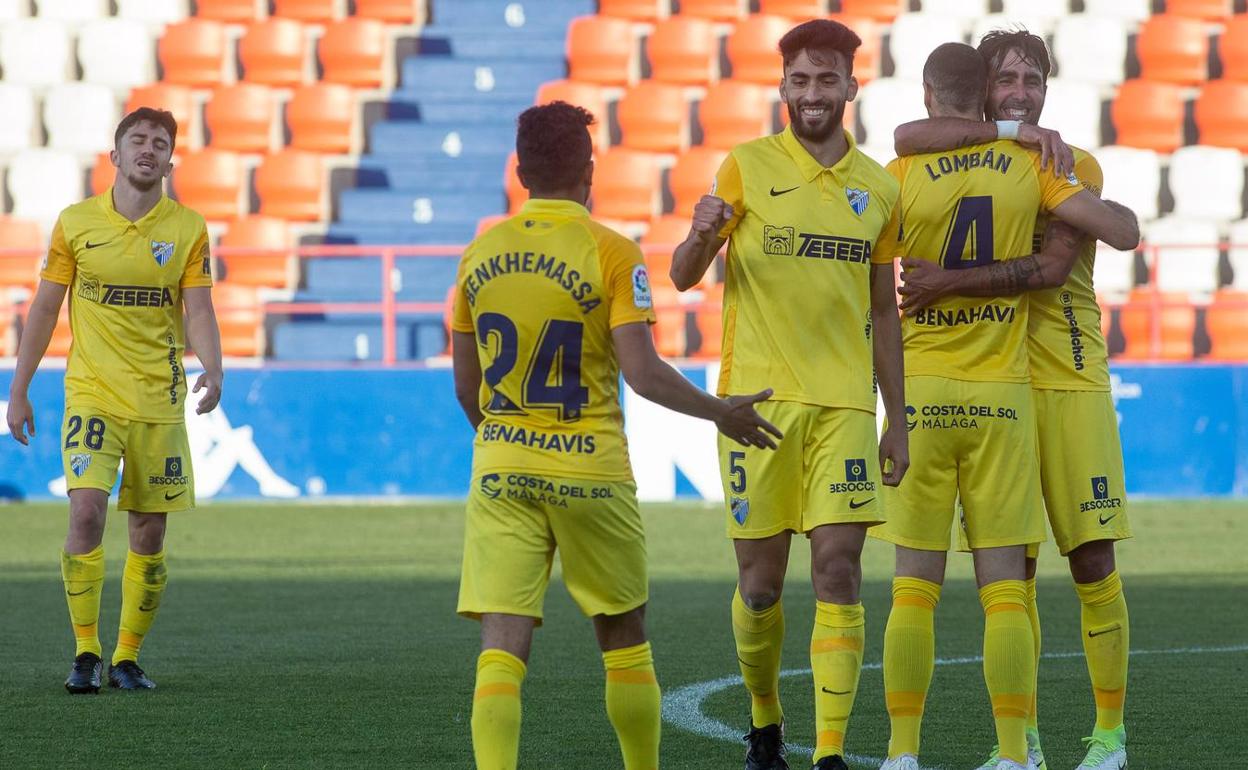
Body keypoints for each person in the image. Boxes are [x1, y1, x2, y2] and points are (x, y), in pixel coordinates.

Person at [450, 101, 783, 770]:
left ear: (520, 171)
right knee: (623, 635)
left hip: (502, 467)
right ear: (590, 172)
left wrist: (507, 441)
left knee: (502, 641)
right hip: (590, 469)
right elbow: (642, 373)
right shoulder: (610, 252)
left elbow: (468, 388)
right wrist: (722, 412)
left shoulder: (478, 255)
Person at [867, 42, 1139, 770]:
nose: (1021, 91)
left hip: (1069, 379)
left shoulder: (1066, 163)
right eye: (1007, 78)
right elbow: (907, 136)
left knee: (1090, 561)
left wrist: (944, 284)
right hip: (1005, 386)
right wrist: (1008, 134)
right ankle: (1024, 743)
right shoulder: (1003, 151)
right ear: (981, 89)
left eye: (1034, 79)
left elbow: (1054, 270)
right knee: (1009, 576)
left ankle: (1109, 738)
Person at [670, 19, 909, 770]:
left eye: (826, 79)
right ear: (782, 87)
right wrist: (702, 235)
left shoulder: (878, 187)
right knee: (762, 587)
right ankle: (766, 723)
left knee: (839, 571)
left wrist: (895, 418)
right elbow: (681, 275)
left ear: (850, 86)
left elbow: (882, 310)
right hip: (756, 410)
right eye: (800, 80)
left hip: (842, 408)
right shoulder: (744, 167)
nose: (813, 93)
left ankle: (830, 753)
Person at [6, 107, 222, 694]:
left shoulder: (189, 228)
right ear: (116, 156)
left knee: (149, 532)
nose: (148, 148)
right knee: (85, 511)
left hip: (160, 398)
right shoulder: (76, 223)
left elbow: (198, 307)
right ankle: (84, 652)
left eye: (159, 141)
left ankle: (126, 657)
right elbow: (47, 306)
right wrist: (19, 388)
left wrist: (214, 365)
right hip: (92, 394)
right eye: (137, 140)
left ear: (170, 160)